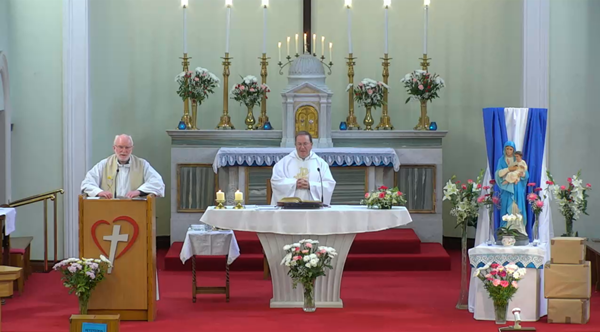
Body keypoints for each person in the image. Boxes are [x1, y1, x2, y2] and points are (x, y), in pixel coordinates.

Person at [81, 134, 165, 198]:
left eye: (127, 147)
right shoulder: (104, 164)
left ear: (132, 149)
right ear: (114, 148)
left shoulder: (142, 164)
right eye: (120, 147)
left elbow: (158, 182)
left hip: (134, 209)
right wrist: (99, 192)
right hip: (109, 209)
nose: (124, 151)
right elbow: (87, 183)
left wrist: (139, 191)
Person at [270, 131, 336, 205]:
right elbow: (276, 182)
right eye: (299, 144)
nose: (302, 147)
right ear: (295, 145)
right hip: (289, 209)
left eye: (305, 143)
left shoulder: (320, 164)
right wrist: (294, 184)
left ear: (311, 145)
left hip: (313, 209)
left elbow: (329, 184)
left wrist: (310, 185)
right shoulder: (284, 163)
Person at [495, 141, 528, 233]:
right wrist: (509, 169)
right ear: (504, 149)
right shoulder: (501, 160)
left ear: (513, 150)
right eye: (507, 149)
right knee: (506, 208)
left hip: (517, 188)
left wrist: (523, 174)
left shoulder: (517, 160)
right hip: (506, 190)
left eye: (511, 149)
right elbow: (498, 174)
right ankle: (506, 229)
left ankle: (519, 230)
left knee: (517, 207)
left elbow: (526, 173)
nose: (509, 151)